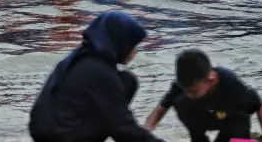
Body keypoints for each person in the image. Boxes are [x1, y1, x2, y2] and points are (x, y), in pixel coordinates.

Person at [28, 11, 166, 142]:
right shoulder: (100, 72)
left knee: (126, 80)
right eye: (133, 45)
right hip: (64, 137)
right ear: (120, 41)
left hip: (44, 133)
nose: (134, 52)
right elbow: (125, 129)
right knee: (127, 82)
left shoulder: (79, 57)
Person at [144, 49, 262, 142]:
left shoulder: (231, 83)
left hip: (232, 119)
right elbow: (161, 108)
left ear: (211, 80)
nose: (189, 95)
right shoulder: (181, 85)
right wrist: (146, 131)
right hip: (203, 118)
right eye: (186, 90)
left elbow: (259, 105)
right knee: (179, 101)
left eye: (193, 92)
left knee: (238, 124)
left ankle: (252, 140)